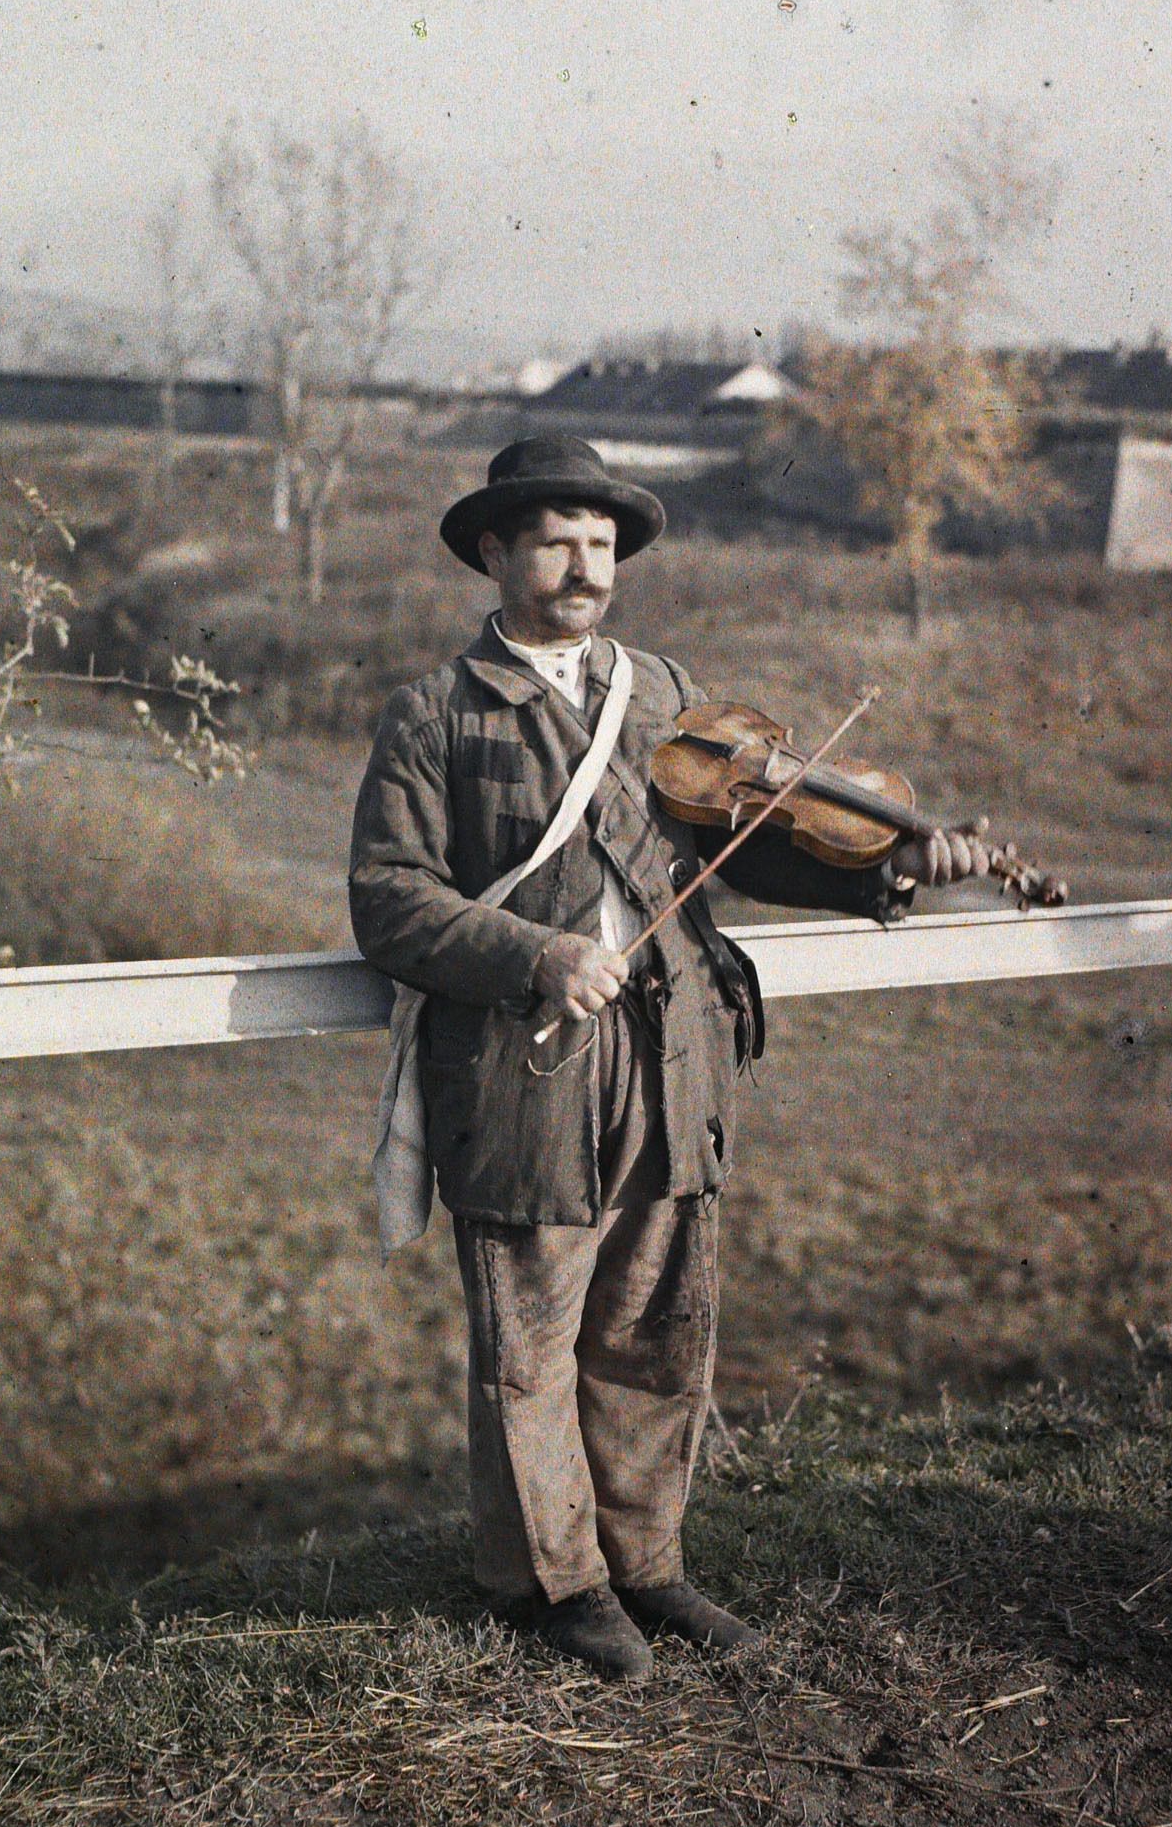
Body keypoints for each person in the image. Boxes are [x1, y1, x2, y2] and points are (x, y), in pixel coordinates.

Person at [348, 436, 986, 1681]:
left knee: (656, 1321)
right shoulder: (437, 710)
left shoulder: (662, 688)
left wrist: (891, 868)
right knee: (529, 1338)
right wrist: (532, 952)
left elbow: (742, 848)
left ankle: (647, 1566)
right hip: (530, 1064)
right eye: (553, 540)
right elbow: (388, 897)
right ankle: (554, 1585)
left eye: (601, 543)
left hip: (674, 1045)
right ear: (494, 550)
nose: (583, 566)